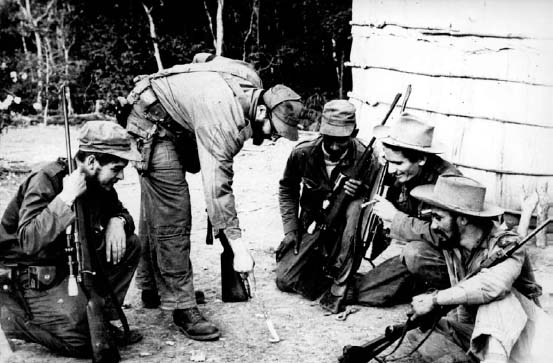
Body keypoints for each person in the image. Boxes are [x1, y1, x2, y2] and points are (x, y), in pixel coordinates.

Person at [120, 54, 303, 340]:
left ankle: (151, 288)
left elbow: (203, 57)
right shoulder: (223, 121)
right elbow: (217, 190)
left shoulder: (250, 79)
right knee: (173, 214)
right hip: (151, 123)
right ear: (262, 113)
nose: (275, 138)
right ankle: (182, 307)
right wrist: (239, 249)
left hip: (164, 112)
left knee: (154, 208)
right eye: (275, 131)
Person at [0, 121, 142, 358]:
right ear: (92, 162)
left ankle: (100, 320)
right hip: (32, 272)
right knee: (82, 344)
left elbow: (121, 211)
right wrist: (65, 199)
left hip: (68, 266)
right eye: (117, 168)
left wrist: (118, 221)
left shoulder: (99, 183)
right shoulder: (47, 179)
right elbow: (28, 240)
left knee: (130, 244)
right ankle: (12, 320)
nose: (121, 175)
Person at [406, 174, 550, 363]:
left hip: (529, 342)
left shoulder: (507, 245)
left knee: (496, 298)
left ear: (463, 219)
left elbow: (492, 286)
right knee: (421, 330)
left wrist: (435, 299)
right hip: (484, 337)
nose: (433, 225)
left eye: (438, 218)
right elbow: (465, 317)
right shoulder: (454, 246)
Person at [276, 100, 381, 313]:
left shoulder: (367, 158)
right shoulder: (303, 153)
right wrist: (291, 229)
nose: (333, 147)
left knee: (357, 206)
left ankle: (342, 277)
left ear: (354, 133)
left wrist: (360, 190)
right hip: (315, 223)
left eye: (341, 141)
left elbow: (371, 208)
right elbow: (287, 189)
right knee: (285, 279)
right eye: (329, 138)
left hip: (346, 231)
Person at [353, 112, 460, 306]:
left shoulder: (447, 183)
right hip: (423, 253)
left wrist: (395, 219)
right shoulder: (405, 173)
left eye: (398, 163)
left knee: (413, 254)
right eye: (389, 161)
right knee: (359, 292)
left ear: (421, 159)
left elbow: (447, 237)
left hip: (453, 260)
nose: (392, 170)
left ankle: (447, 293)